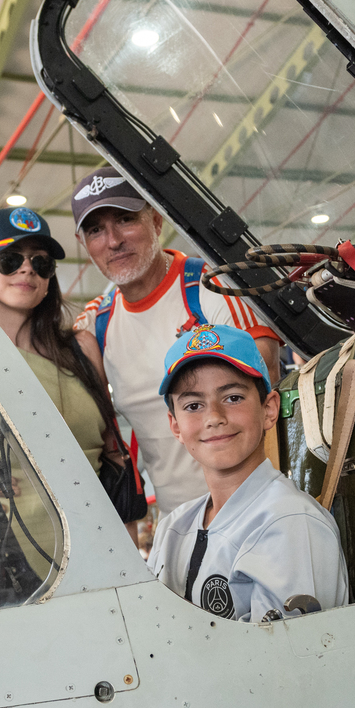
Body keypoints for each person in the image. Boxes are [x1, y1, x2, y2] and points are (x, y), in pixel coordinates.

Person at [0, 206, 134, 590]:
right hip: (12, 570)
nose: (27, 270)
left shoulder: (81, 348)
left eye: (40, 264)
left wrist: (130, 563)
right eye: (10, 260)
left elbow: (114, 460)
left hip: (100, 551)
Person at [71, 167, 282, 517]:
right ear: (84, 245)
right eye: (96, 230)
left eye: (125, 219)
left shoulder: (214, 287)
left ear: (155, 220)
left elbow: (267, 390)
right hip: (177, 525)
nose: (113, 240)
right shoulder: (96, 324)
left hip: (256, 511)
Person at [148, 324, 348, 621]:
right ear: (175, 425)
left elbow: (284, 662)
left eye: (233, 398)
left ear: (269, 409)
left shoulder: (291, 523)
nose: (214, 417)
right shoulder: (173, 529)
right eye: (193, 405)